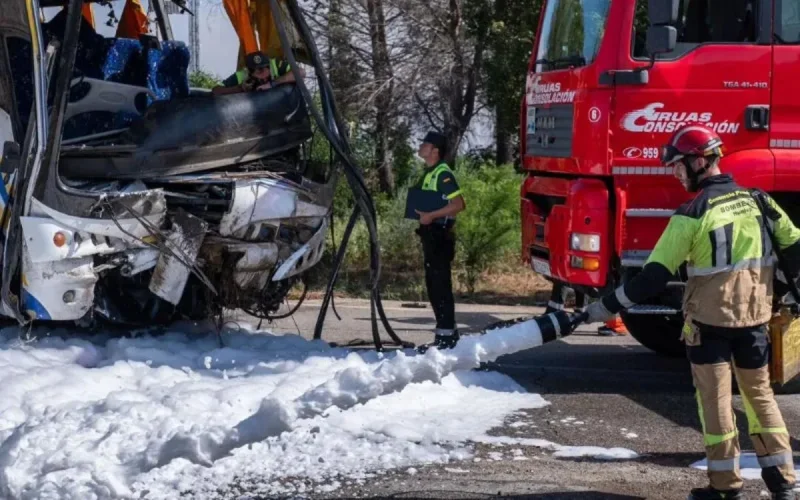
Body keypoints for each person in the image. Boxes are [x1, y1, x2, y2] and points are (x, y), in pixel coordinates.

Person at [584, 125, 800, 500]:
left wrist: (604, 308)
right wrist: (781, 289)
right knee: (760, 398)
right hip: (755, 324)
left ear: (699, 161)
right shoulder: (760, 201)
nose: (676, 173)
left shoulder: (691, 214)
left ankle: (724, 487)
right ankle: (783, 483)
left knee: (715, 405)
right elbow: (795, 246)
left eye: (678, 166)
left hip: (709, 327)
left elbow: (651, 279)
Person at [413, 131, 466, 351]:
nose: (421, 147)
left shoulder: (443, 174)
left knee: (440, 286)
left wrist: (431, 216)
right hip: (430, 235)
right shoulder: (430, 172)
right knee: (434, 286)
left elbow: (458, 204)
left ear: (435, 150)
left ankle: (446, 339)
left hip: (439, 235)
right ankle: (446, 334)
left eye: (425, 144)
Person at [211, 50, 300, 96]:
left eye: (263, 70)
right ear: (250, 72)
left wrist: (272, 83)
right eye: (259, 77)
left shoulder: (276, 65)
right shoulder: (242, 75)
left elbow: (301, 73)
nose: (264, 78)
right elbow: (216, 91)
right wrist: (240, 88)